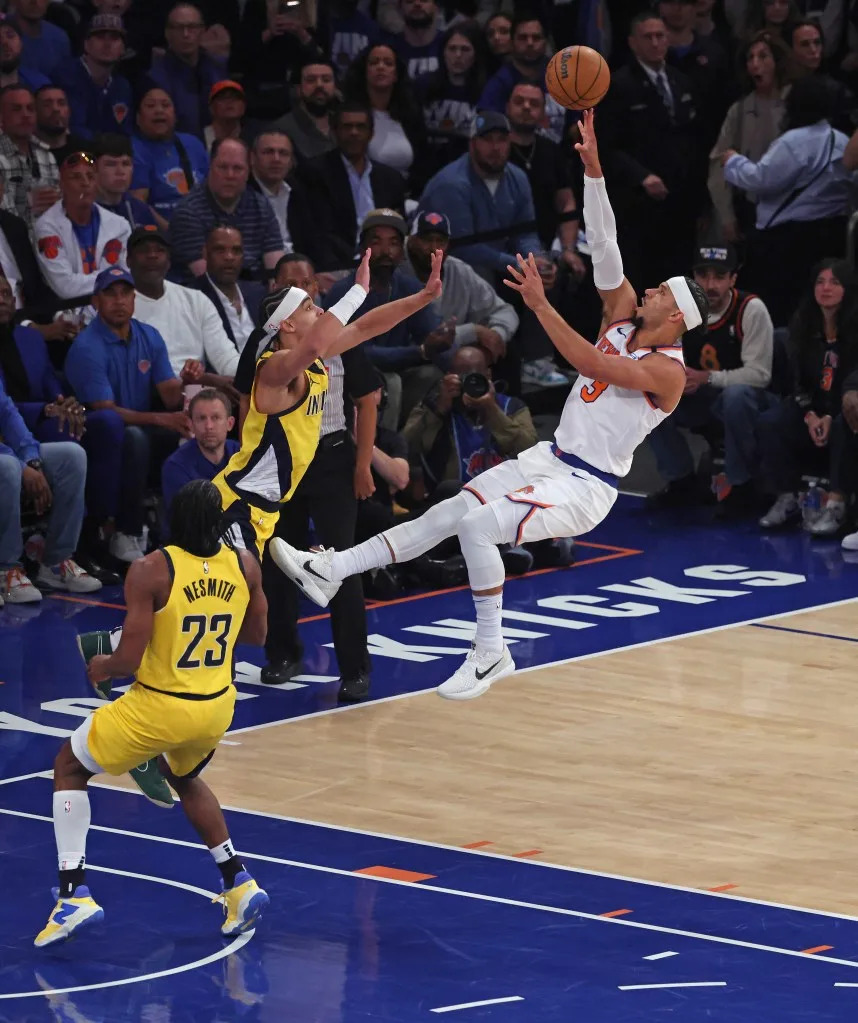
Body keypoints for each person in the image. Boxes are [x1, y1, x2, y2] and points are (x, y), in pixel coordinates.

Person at [271, 108, 708, 701]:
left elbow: (595, 365)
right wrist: (596, 173)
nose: (648, 290)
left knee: (478, 527)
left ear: (677, 316)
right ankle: (335, 568)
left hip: (586, 487)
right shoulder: (624, 312)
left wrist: (541, 305)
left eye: (660, 293)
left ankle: (490, 651)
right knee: (447, 515)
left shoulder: (668, 372)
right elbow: (604, 242)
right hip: (550, 459)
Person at [35, 480, 269, 947]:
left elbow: (126, 661)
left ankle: (72, 896)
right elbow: (258, 636)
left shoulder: (152, 569)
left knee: (69, 766)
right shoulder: (245, 565)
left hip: (161, 705)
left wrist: (101, 665)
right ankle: (238, 882)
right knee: (184, 778)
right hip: (217, 704)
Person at [214, 244, 443, 565]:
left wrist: (423, 298)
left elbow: (365, 327)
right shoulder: (272, 368)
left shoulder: (313, 358)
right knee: (226, 597)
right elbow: (311, 347)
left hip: (270, 502)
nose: (320, 310)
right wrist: (358, 290)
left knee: (259, 603)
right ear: (287, 325)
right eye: (309, 308)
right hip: (239, 500)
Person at [647, 242, 777, 514]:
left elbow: (760, 375)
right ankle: (681, 480)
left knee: (735, 397)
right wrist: (673, 377)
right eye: (704, 276)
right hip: (703, 397)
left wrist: (707, 378)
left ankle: (742, 487)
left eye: (719, 276)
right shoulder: (679, 310)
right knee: (648, 392)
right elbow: (662, 356)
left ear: (733, 279)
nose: (711, 284)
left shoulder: (751, 309)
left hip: (753, 401)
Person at [722, 75, 854, 326]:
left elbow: (762, 179)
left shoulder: (794, 142)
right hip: (831, 237)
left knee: (781, 310)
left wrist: (733, 161)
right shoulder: (842, 141)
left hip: (788, 242)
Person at [758, 258, 858, 534]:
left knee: (842, 425)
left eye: (834, 282)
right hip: (813, 405)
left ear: (847, 288)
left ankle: (837, 507)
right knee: (772, 421)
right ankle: (786, 496)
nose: (825, 288)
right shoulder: (803, 323)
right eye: (820, 282)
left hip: (844, 408)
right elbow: (797, 382)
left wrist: (829, 416)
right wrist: (810, 414)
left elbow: (853, 384)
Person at [417, 111, 541, 286]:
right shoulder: (451, 184)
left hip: (499, 265)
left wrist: (534, 260)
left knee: (546, 277)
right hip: (446, 270)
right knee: (480, 273)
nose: (496, 147)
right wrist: (517, 265)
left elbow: (525, 232)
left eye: (502, 139)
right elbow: (462, 248)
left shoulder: (518, 178)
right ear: (472, 143)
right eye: (487, 139)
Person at [290, 101, 407, 272]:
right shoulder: (313, 173)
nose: (354, 133)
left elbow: (398, 230)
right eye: (347, 127)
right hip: (334, 267)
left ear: (371, 133)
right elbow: (313, 234)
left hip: (383, 264)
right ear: (335, 131)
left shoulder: (390, 179)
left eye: (360, 127)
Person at [707, 31, 789, 241]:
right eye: (750, 58)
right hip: (751, 209)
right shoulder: (740, 109)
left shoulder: (796, 103)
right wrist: (726, 217)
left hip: (791, 207)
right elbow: (719, 164)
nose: (755, 64)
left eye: (763, 56)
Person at [169, 137, 285, 283]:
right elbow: (206, 278)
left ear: (248, 171)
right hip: (203, 293)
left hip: (255, 286)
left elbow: (275, 266)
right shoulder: (189, 211)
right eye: (223, 167)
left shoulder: (260, 204)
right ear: (210, 167)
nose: (230, 175)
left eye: (237, 168)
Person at [34, 150, 130, 312]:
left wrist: (113, 281)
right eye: (76, 177)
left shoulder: (119, 226)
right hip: (68, 314)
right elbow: (66, 288)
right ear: (62, 184)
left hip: (114, 309)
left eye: (91, 177)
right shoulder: (47, 226)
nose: (85, 183)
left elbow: (125, 278)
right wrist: (110, 280)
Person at [145, 2, 227, 140]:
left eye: (192, 27)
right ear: (167, 33)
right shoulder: (155, 78)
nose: (186, 34)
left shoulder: (217, 68)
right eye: (178, 28)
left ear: (203, 31)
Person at [129, 87, 209, 226]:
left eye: (165, 105)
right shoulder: (134, 148)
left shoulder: (193, 143)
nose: (159, 110)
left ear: (175, 116)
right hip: (161, 234)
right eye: (150, 105)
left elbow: (213, 191)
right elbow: (138, 203)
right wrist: (171, 233)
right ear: (138, 118)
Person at [161, 388, 238, 521]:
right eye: (201, 418)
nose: (208, 426)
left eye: (215, 418)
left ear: (229, 423)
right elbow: (189, 524)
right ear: (191, 424)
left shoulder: (242, 455)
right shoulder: (176, 467)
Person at [53, 13, 132, 138]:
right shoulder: (66, 75)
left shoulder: (122, 86)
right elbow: (73, 128)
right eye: (100, 37)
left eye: (114, 38)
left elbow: (124, 131)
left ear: (123, 48)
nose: (107, 44)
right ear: (86, 45)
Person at [267, 60, 337, 163]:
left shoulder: (344, 123)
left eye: (326, 80)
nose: (319, 85)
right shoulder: (280, 131)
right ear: (298, 89)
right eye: (311, 80)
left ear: (335, 87)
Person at [94, 132, 159, 229]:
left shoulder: (140, 210)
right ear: (94, 169)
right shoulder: (83, 211)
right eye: (111, 164)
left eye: (125, 164)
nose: (120, 172)